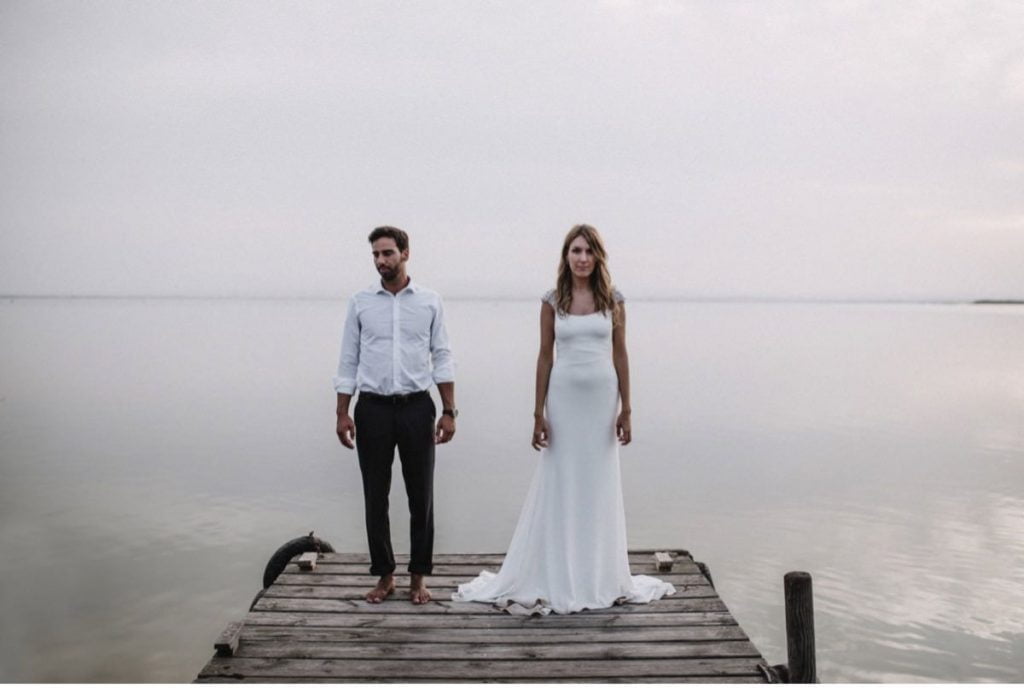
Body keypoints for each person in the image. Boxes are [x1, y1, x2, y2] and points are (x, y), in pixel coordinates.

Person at [452, 224, 674, 614]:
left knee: (598, 482)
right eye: (576, 251)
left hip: (602, 402)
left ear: (598, 257)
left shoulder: (613, 300)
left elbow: (621, 354)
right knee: (563, 479)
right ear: (565, 256)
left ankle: (598, 572)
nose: (582, 258)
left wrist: (627, 408)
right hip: (564, 402)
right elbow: (544, 356)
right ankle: (557, 569)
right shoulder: (552, 300)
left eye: (589, 251)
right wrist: (538, 413)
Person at [334, 226, 457, 605]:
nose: (380, 261)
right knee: (376, 496)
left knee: (422, 496)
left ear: (405, 253)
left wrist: (449, 411)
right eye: (375, 254)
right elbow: (348, 360)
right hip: (371, 408)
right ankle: (384, 576)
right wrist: (342, 412)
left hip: (417, 407)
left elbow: (442, 356)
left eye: (387, 253)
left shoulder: (430, 302)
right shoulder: (360, 302)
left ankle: (418, 577)